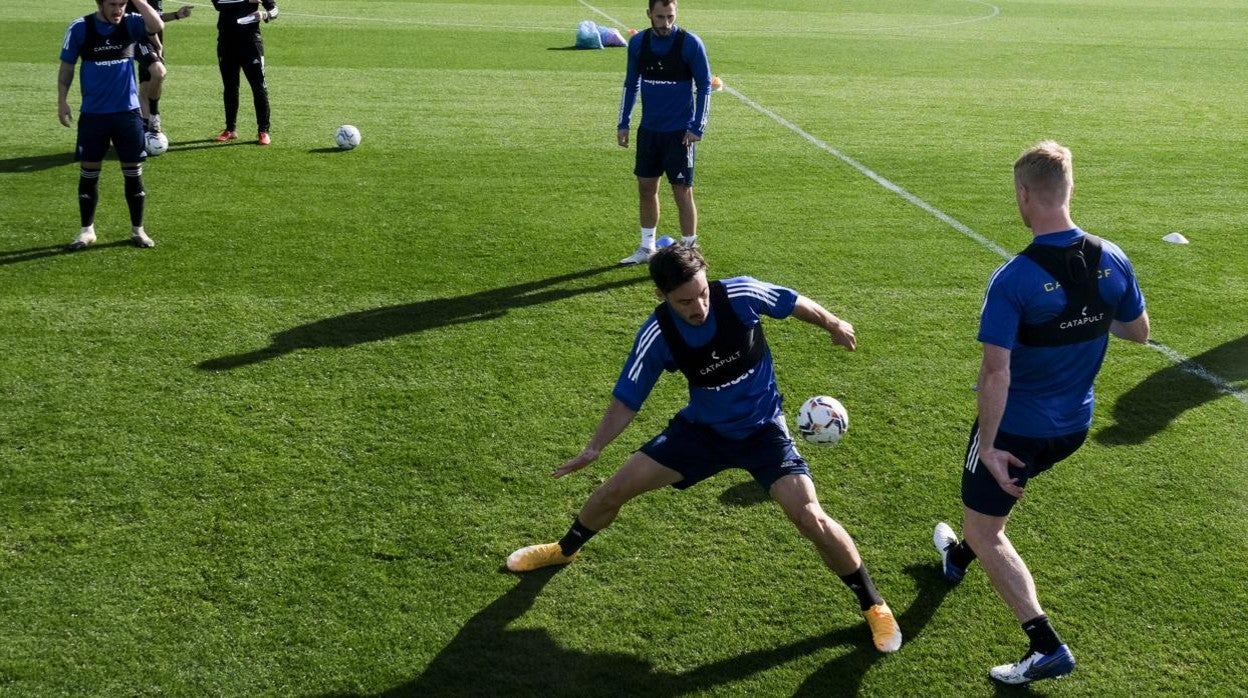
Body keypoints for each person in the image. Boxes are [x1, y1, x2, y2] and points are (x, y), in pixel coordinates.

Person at [507, 245, 903, 654]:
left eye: (702, 294)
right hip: (701, 434)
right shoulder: (658, 334)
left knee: (811, 519)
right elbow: (628, 398)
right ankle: (562, 550)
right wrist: (593, 448)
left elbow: (793, 302)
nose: (698, 306)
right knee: (613, 490)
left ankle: (874, 604)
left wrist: (833, 323)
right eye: (684, 301)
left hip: (763, 431)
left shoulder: (742, 295)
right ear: (662, 296)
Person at [932, 141, 1150, 685]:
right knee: (986, 515)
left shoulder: (1015, 279)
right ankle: (957, 558)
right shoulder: (1112, 257)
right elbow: (1138, 332)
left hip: (1016, 430)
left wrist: (988, 444)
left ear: (1023, 194)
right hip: (1074, 426)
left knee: (989, 530)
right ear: (1069, 189)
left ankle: (1045, 644)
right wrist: (1087, 316)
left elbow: (995, 374)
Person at [58, 0, 163, 250]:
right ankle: (87, 231)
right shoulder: (80, 27)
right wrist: (62, 101)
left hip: (127, 115)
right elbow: (67, 67)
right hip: (94, 115)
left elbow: (156, 24)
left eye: (122, 4)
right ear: (100, 4)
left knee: (133, 174)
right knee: (89, 173)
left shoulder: (131, 23)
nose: (118, 10)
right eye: (113, 4)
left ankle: (138, 230)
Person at [615, 0, 711, 266]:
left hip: (680, 134)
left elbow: (704, 86)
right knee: (646, 188)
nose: (666, 23)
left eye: (670, 16)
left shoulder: (690, 43)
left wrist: (697, 127)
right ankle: (647, 248)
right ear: (649, 15)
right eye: (660, 17)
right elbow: (630, 83)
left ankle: (691, 250)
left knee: (682, 191)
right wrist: (623, 123)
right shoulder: (638, 44)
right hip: (649, 131)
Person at [210, 0, 278, 145]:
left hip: (251, 43)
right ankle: (230, 129)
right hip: (226, 42)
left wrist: (264, 14)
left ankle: (263, 131)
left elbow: (275, 10)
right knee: (230, 86)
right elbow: (219, 3)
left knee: (259, 87)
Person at [126, 1, 194, 135]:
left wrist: (176, 15)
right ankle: (151, 117)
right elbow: (143, 17)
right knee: (157, 73)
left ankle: (147, 125)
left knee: (149, 82)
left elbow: (155, 16)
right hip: (138, 34)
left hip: (153, 34)